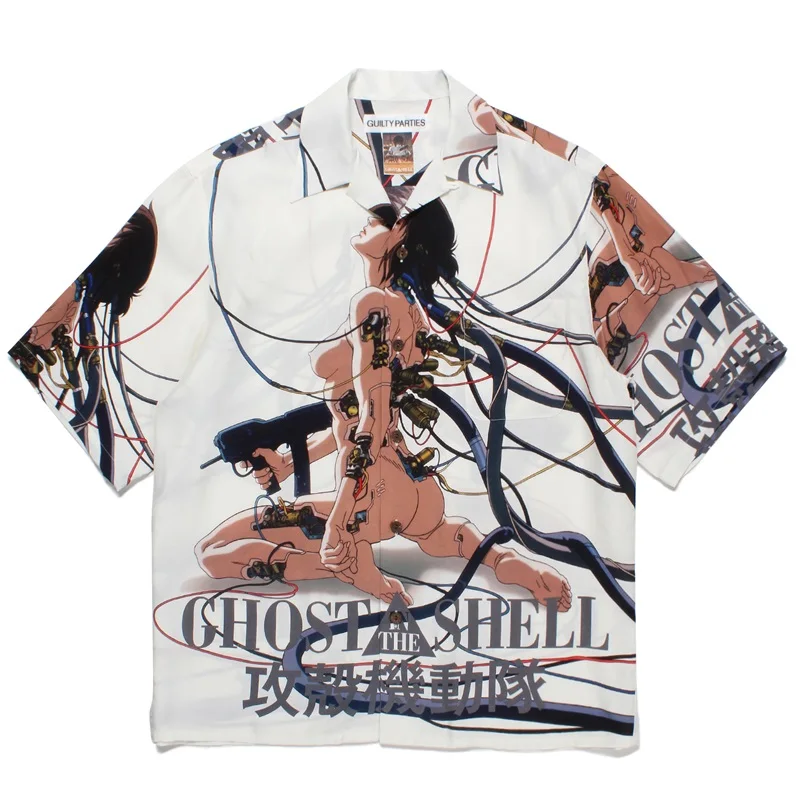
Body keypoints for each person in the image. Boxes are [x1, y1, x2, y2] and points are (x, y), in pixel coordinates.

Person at [195, 199, 572, 611]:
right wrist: (287, 464)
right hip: (414, 487)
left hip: (369, 491)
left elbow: (371, 420)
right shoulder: (412, 315)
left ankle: (356, 571)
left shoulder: (372, 305)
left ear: (401, 234)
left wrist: (339, 520)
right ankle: (507, 562)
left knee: (212, 552)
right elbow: (359, 413)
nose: (369, 221)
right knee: (443, 535)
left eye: (380, 219)